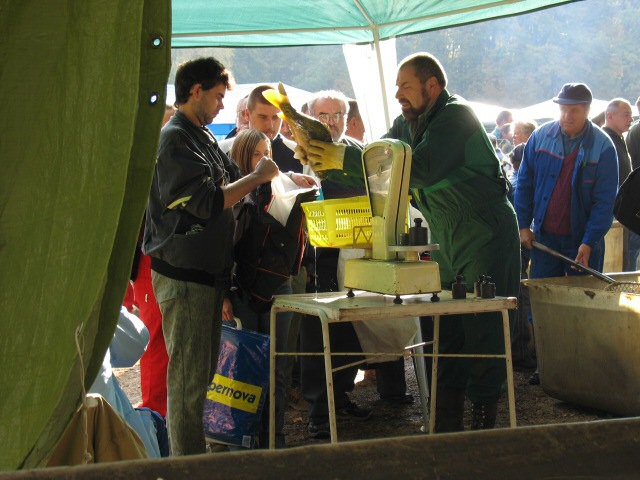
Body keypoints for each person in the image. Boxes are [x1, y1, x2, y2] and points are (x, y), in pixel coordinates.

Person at [301, 52, 521, 432]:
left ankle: (486, 421)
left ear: (431, 86)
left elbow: (417, 168)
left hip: (484, 232)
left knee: (483, 323)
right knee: (446, 327)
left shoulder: (457, 117)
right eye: (398, 86)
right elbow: (381, 154)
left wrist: (342, 156)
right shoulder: (408, 123)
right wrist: (331, 154)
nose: (399, 93)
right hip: (447, 235)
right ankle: (445, 423)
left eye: (405, 85)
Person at [142, 57, 279, 456]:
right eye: (218, 96)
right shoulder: (175, 139)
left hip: (205, 276)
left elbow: (225, 183)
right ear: (196, 91)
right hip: (183, 278)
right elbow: (205, 202)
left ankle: (194, 458)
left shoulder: (197, 135)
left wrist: (280, 180)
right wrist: (256, 178)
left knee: (199, 378)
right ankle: (187, 466)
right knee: (187, 384)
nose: (222, 105)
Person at [515, 83, 618, 385]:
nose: (567, 116)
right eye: (563, 109)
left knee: (582, 303)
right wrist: (523, 224)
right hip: (545, 237)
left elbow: (604, 201)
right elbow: (525, 184)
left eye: (574, 110)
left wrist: (589, 241)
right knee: (543, 303)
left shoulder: (603, 147)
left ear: (587, 111)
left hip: (581, 241)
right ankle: (546, 364)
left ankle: (579, 366)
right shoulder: (540, 138)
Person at [223, 128, 316, 448]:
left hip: (281, 286)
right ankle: (242, 443)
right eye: (256, 154)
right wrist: (223, 295)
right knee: (245, 371)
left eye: (269, 154)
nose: (265, 161)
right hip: (241, 292)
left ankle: (273, 442)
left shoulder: (283, 188)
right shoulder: (231, 193)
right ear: (242, 157)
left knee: (278, 368)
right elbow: (223, 250)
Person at [602, 98, 636, 272]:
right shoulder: (604, 141)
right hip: (613, 215)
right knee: (619, 266)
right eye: (626, 115)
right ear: (610, 116)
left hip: (625, 214)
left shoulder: (619, 138)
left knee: (628, 261)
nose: (630, 119)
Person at [623, 95, 640, 271]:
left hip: (634, 192)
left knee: (633, 247)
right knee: (633, 246)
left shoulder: (633, 131)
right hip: (636, 194)